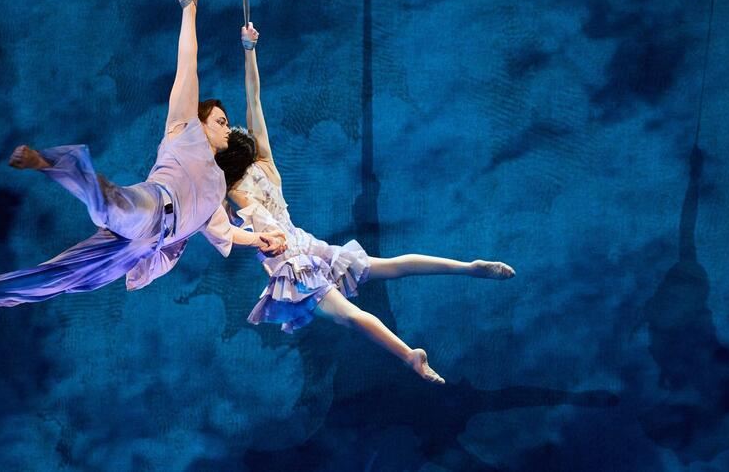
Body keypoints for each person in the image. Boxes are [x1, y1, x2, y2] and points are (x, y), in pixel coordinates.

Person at [0, 0, 286, 333]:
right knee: (112, 202)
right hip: (154, 204)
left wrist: (261, 238)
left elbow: (227, 233)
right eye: (220, 121)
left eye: (227, 125)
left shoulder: (216, 191)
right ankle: (53, 163)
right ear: (201, 120)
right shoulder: (183, 128)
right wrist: (189, 10)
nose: (227, 128)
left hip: (145, 247)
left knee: (60, 278)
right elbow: (187, 64)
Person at [215, 22, 515, 383]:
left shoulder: (227, 188)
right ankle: (468, 267)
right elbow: (254, 100)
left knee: (349, 316)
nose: (229, 128)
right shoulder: (267, 166)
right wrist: (249, 51)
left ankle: (410, 356)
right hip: (307, 244)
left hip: (293, 263)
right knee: (391, 266)